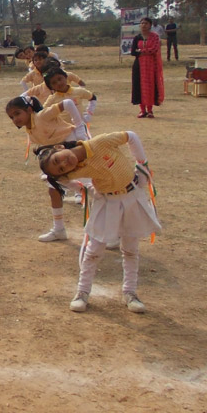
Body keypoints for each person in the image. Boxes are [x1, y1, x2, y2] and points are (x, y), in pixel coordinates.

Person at [36, 131, 160, 313]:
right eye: (61, 168)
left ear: (59, 147)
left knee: (131, 249)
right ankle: (82, 292)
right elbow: (61, 180)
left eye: (57, 160)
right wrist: (88, 190)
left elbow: (131, 136)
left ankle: (130, 292)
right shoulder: (74, 170)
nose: (64, 164)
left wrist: (142, 164)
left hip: (133, 198)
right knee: (93, 250)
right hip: (107, 203)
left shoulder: (100, 143)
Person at [6, 95, 86, 242]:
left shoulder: (42, 116)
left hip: (75, 147)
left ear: (29, 110)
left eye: (17, 113)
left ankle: (111, 230)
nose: (15, 119)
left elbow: (68, 103)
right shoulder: (30, 132)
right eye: (12, 117)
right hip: (61, 155)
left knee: (96, 187)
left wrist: (80, 129)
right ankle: (59, 229)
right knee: (53, 189)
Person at [130, 17, 165, 118]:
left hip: (151, 65)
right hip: (139, 65)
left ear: (150, 25)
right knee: (139, 86)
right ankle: (142, 110)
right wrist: (143, 51)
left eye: (146, 23)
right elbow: (133, 52)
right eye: (142, 23)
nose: (143, 25)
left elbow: (154, 49)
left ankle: (150, 110)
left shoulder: (155, 37)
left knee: (150, 86)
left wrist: (141, 51)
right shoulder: (137, 38)